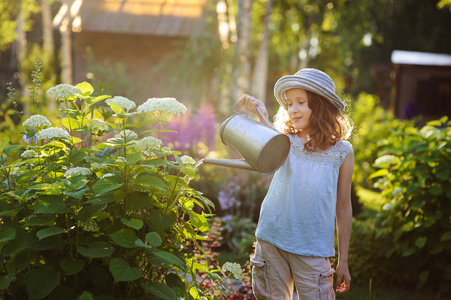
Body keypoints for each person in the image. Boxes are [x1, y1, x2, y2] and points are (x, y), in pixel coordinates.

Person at [238, 68, 354, 300]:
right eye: (289, 104)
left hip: (312, 248)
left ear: (320, 106)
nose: (293, 109)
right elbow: (264, 141)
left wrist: (343, 261)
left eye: (301, 102)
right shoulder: (285, 141)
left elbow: (343, 206)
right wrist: (260, 112)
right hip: (272, 239)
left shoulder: (342, 152)